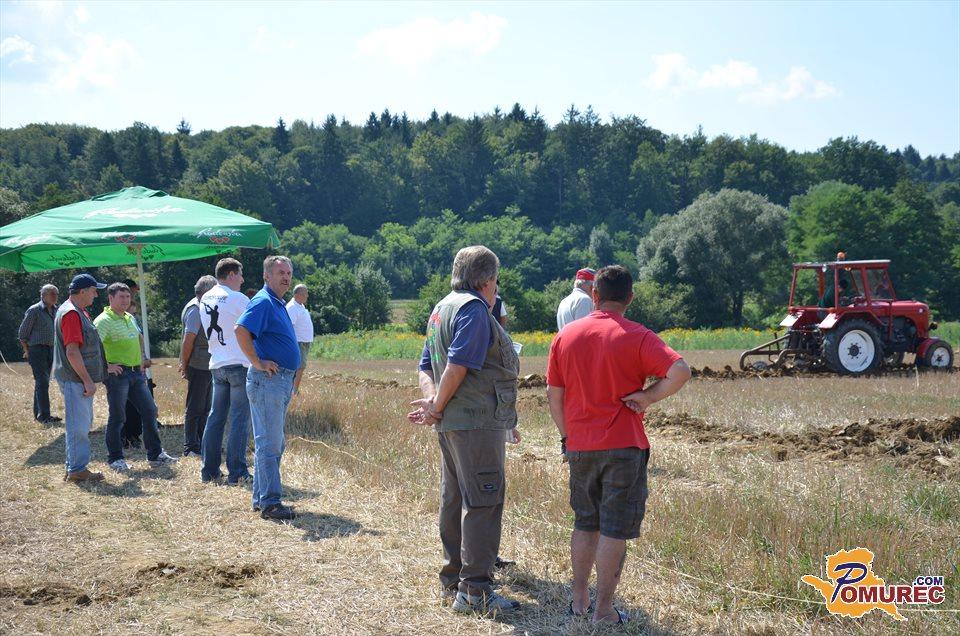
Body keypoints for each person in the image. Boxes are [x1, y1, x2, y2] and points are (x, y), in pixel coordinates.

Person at [546, 265, 691, 624]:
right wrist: (648, 397)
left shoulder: (566, 336)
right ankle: (604, 610)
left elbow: (554, 394)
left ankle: (579, 600)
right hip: (624, 445)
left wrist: (567, 436)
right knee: (613, 530)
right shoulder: (638, 335)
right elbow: (680, 371)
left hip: (580, 445)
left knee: (585, 523)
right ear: (630, 298)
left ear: (594, 295)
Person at [408, 245, 521, 614]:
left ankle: (454, 578)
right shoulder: (472, 309)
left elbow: (426, 365)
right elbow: (457, 366)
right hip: (474, 421)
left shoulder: (441, 308)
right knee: (483, 502)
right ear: (486, 280)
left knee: (454, 498)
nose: (496, 288)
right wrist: (437, 405)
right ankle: (474, 592)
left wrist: (433, 403)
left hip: (452, 422)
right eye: (496, 281)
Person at [236, 255, 301, 521]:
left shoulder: (277, 302)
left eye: (288, 273)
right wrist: (257, 362)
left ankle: (261, 498)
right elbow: (241, 330)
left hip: (278, 381)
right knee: (270, 444)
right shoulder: (263, 301)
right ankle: (271, 504)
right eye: (280, 272)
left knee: (272, 443)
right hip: (269, 381)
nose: (286, 277)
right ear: (267, 275)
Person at [94, 283, 178, 472]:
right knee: (118, 417)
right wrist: (106, 367)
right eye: (121, 297)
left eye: (127, 296)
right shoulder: (103, 321)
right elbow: (92, 346)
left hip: (136, 374)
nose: (125, 300)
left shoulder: (129, 317)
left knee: (150, 411)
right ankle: (115, 458)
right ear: (110, 298)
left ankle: (155, 455)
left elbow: (138, 339)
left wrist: (141, 359)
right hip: (118, 376)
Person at [199, 258, 253, 485]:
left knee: (216, 418)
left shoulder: (205, 298)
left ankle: (209, 470)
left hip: (217, 363)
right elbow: (253, 328)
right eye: (240, 274)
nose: (242, 279)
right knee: (240, 419)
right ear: (231, 274)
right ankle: (237, 471)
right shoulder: (238, 298)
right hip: (238, 363)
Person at [52, 274, 108, 483]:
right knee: (79, 426)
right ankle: (77, 469)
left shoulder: (76, 311)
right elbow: (72, 351)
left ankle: (73, 467)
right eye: (94, 291)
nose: (96, 295)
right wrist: (87, 380)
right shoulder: (71, 314)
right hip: (75, 379)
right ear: (83, 291)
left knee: (81, 423)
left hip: (74, 378)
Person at [179, 275, 218, 457]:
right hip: (198, 365)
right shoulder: (196, 310)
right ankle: (191, 447)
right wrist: (184, 364)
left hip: (207, 364)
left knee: (205, 408)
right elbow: (188, 340)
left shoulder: (202, 306)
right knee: (195, 408)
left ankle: (203, 443)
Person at [18, 284, 62, 424]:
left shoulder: (57, 310)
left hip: (51, 349)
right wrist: (27, 351)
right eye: (52, 294)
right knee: (42, 382)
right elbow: (23, 334)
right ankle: (44, 416)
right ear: (43, 295)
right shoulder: (34, 310)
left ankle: (40, 414)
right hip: (37, 350)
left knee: (43, 382)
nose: (55, 296)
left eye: (56, 294)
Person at [285, 283, 314, 395]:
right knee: (299, 367)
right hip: (298, 342)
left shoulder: (300, 306)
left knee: (300, 367)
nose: (307, 296)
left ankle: (293, 389)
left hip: (303, 342)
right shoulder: (292, 307)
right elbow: (289, 327)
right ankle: (294, 391)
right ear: (297, 294)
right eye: (305, 293)